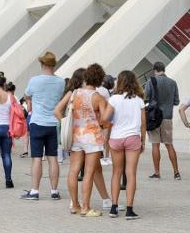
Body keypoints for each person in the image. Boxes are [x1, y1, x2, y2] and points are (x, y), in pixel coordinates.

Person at [56, 63, 106, 217]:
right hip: (92, 137)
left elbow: (57, 110)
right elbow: (104, 120)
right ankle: (86, 207)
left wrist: (66, 123)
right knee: (89, 173)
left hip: (76, 135)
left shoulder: (74, 93)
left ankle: (74, 205)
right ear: (100, 80)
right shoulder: (98, 97)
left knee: (73, 170)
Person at [21, 51, 65, 201]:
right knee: (53, 157)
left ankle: (34, 191)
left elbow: (27, 95)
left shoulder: (35, 80)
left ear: (42, 64)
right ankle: (54, 190)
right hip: (53, 123)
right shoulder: (61, 82)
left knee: (37, 158)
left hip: (38, 122)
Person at [103, 70, 146, 218]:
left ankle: (114, 207)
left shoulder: (114, 99)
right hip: (133, 138)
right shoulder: (139, 100)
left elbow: (105, 118)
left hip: (116, 138)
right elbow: (143, 124)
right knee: (131, 173)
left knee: (116, 172)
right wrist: (143, 141)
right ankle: (129, 209)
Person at [144, 62, 181, 180]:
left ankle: (157, 172)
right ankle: (176, 172)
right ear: (164, 69)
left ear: (154, 70)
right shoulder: (172, 82)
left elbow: (146, 98)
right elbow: (176, 101)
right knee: (169, 144)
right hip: (167, 117)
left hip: (154, 117)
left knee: (155, 145)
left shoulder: (150, 82)